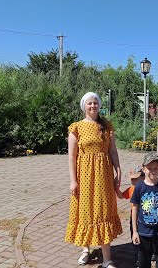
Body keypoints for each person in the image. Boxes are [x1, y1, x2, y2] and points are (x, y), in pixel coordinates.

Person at [65, 92, 122, 268]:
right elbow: (72, 157)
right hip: (84, 177)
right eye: (89, 103)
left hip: (103, 177)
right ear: (84, 106)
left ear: (99, 105)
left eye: (95, 103)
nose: (93, 106)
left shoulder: (107, 126)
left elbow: (113, 151)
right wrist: (73, 180)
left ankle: (107, 258)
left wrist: (118, 173)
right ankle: (85, 249)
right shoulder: (76, 127)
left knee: (102, 211)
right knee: (85, 211)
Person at [131, 152, 158, 268]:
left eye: (156, 168)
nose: (153, 171)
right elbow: (134, 209)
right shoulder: (139, 187)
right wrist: (135, 231)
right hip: (144, 232)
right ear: (144, 168)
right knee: (144, 262)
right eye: (149, 168)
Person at [116, 165, 145, 267]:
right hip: (134, 217)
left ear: (143, 177)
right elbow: (120, 196)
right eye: (132, 179)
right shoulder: (131, 189)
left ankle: (150, 252)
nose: (134, 181)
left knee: (145, 236)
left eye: (136, 179)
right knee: (134, 233)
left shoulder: (145, 188)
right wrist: (116, 188)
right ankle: (136, 254)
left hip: (144, 216)